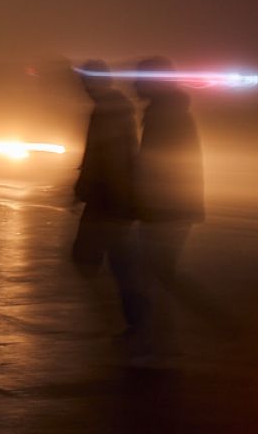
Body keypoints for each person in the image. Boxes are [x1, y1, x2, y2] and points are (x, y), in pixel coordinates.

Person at [133, 56, 208, 355]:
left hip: (164, 208)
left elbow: (155, 165)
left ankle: (160, 347)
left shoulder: (163, 115)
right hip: (172, 206)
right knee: (158, 275)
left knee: (156, 276)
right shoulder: (169, 111)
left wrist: (141, 201)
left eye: (141, 78)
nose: (135, 83)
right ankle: (157, 344)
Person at [71, 59, 148, 344]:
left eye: (87, 82)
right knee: (116, 263)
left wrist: (86, 189)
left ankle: (132, 323)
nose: (84, 88)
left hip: (108, 200)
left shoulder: (108, 110)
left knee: (93, 259)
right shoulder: (113, 108)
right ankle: (133, 322)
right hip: (109, 198)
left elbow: (108, 158)